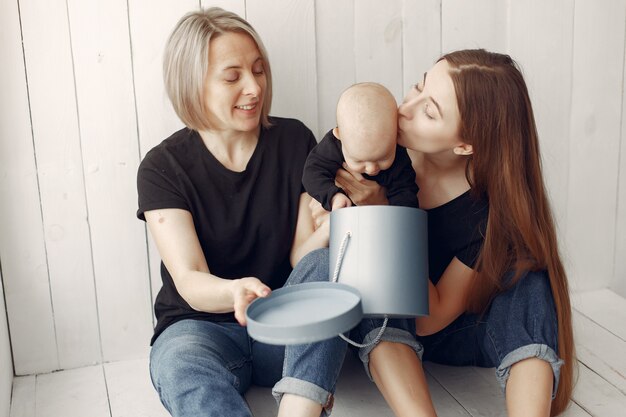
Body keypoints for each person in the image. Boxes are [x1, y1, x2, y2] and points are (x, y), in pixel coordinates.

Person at [312, 49, 575, 417]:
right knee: (376, 283)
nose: (404, 109)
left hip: (448, 330)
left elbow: (429, 319)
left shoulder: (487, 216)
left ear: (465, 144)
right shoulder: (376, 151)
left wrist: (387, 220)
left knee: (529, 279)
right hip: (386, 332)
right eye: (417, 87)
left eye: (429, 111)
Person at [136, 8, 346, 417]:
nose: (254, 88)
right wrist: (234, 292)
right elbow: (189, 278)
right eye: (233, 77)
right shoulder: (162, 167)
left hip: (282, 324)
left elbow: (304, 259)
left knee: (326, 267)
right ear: (192, 85)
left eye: (259, 70)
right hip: (200, 328)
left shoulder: (294, 140)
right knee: (180, 366)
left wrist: (335, 223)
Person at [302, 82, 418, 211]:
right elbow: (312, 174)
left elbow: (406, 193)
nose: (371, 168)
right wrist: (333, 196)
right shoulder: (332, 146)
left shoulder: (398, 155)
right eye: (359, 160)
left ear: (396, 135)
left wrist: (395, 215)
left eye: (383, 158)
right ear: (339, 135)